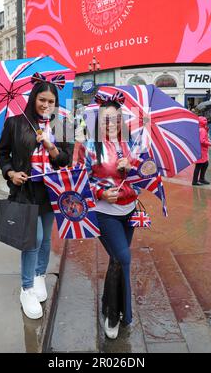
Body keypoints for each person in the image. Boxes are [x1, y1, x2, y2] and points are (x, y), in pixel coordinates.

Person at [0, 73, 73, 320]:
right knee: (33, 238)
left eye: (51, 101)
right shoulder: (15, 123)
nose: (46, 105)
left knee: (46, 237)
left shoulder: (64, 124)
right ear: (33, 98)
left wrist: (51, 146)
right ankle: (27, 287)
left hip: (52, 190)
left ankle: (40, 274)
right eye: (42, 99)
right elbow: (2, 154)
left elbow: (66, 160)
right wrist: (10, 173)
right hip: (25, 189)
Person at [78, 92, 142, 340]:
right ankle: (116, 314)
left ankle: (108, 301)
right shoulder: (89, 145)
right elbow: (80, 181)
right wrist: (101, 193)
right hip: (105, 214)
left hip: (130, 210)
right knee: (124, 258)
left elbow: (145, 173)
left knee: (116, 260)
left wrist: (133, 166)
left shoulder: (131, 142)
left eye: (115, 118)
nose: (111, 123)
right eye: (106, 119)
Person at [192, 117, 211, 186]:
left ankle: (201, 178)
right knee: (199, 165)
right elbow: (202, 141)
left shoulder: (199, 129)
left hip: (200, 149)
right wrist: (209, 143)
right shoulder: (202, 130)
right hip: (202, 150)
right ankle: (195, 181)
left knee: (205, 163)